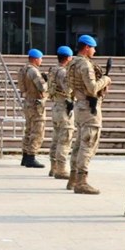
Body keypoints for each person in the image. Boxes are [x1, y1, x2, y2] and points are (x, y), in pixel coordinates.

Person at [66, 34, 111, 195]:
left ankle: (73, 178)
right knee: (88, 144)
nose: (94, 51)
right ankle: (81, 181)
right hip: (88, 108)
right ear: (86, 47)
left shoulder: (72, 64)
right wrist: (105, 80)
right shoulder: (85, 65)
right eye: (93, 48)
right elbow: (92, 88)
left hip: (79, 105)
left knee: (79, 143)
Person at [46, 46, 75, 181]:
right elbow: (68, 89)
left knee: (56, 138)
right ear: (68, 58)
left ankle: (53, 167)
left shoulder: (53, 69)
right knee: (65, 139)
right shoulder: (63, 72)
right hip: (64, 106)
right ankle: (61, 169)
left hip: (56, 105)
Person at [17, 48, 47, 169]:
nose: (41, 61)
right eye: (40, 58)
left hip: (28, 101)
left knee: (29, 129)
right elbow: (42, 87)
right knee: (38, 130)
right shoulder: (33, 71)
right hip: (36, 103)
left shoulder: (23, 69)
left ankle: (25, 155)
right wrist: (47, 81)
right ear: (35, 59)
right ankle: (31, 156)